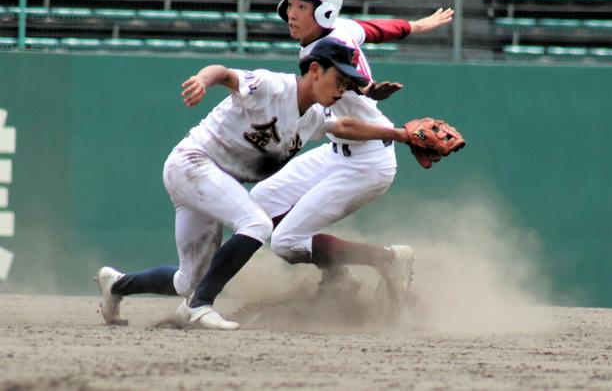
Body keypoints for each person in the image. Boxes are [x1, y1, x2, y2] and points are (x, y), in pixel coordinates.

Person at [95, 37, 416, 330]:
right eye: (339, 79)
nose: (342, 89)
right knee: (256, 222)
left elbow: (345, 124)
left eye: (347, 83)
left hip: (209, 181)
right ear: (315, 71)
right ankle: (199, 306)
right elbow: (224, 73)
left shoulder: (312, 118)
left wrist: (401, 134)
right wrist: (202, 80)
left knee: (187, 279)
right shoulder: (272, 86)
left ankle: (117, 285)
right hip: (192, 164)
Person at [249, 0, 454, 304]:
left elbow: (346, 83)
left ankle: (389, 261)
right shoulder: (339, 30)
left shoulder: (322, 51)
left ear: (324, 10)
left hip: (367, 163)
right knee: (261, 201)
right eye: (290, 3)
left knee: (286, 242)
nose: (290, 12)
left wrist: (377, 100)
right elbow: (372, 30)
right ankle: (338, 274)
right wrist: (415, 26)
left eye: (302, 6)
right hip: (338, 152)